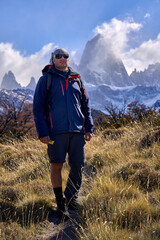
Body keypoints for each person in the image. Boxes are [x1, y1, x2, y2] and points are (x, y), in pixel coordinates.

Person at [33, 48, 93, 219]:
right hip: (55, 132)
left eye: (65, 56)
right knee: (57, 165)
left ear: (68, 59)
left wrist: (88, 128)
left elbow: (85, 106)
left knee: (78, 165)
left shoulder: (77, 80)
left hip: (77, 131)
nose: (62, 58)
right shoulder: (46, 79)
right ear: (53, 59)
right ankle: (60, 203)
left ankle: (71, 197)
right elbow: (38, 108)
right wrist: (42, 132)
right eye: (58, 56)